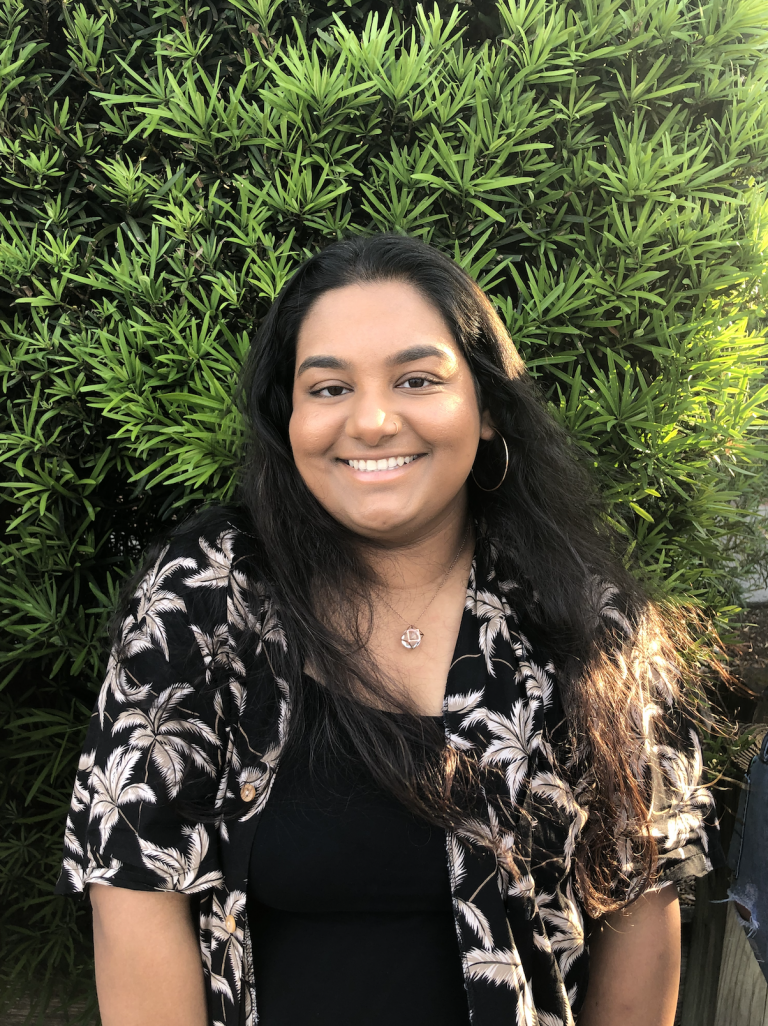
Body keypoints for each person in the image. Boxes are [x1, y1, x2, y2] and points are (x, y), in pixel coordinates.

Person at [56, 234, 723, 1026]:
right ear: (290, 418)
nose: (371, 421)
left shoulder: (584, 620)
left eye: (416, 379)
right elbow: (132, 875)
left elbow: (642, 894)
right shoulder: (207, 597)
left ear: (484, 412)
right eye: (329, 388)